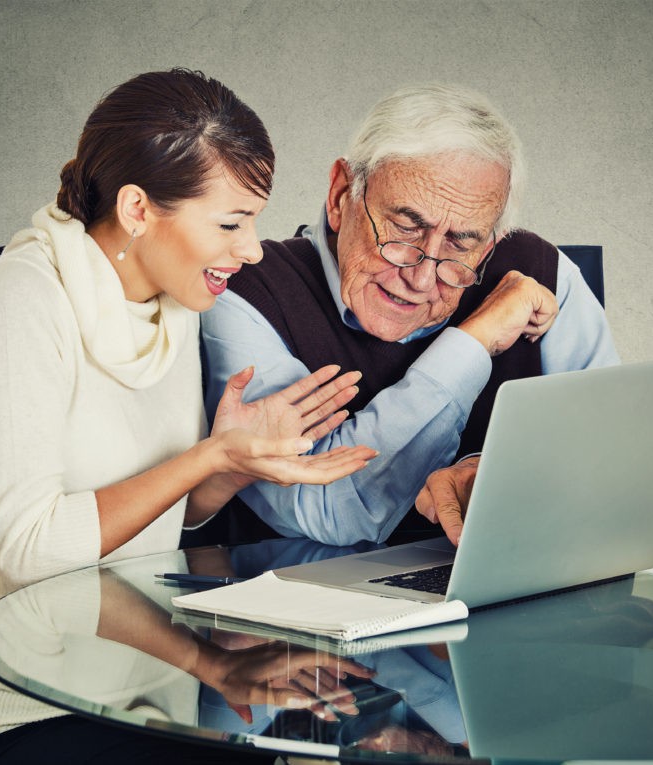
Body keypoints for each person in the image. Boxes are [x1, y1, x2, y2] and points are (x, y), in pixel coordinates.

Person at [0, 68, 376, 764]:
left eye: (254, 220)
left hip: (158, 701)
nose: (253, 248)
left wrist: (227, 465)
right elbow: (27, 549)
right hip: (36, 716)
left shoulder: (171, 306)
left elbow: (166, 521)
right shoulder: (22, 301)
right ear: (139, 210)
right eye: (231, 222)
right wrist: (204, 456)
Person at [201, 83, 619, 548]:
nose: (421, 279)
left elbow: (611, 479)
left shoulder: (543, 275)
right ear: (341, 195)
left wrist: (489, 475)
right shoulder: (243, 290)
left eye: (461, 243)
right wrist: (471, 344)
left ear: (491, 244)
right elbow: (325, 509)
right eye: (404, 227)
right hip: (305, 606)